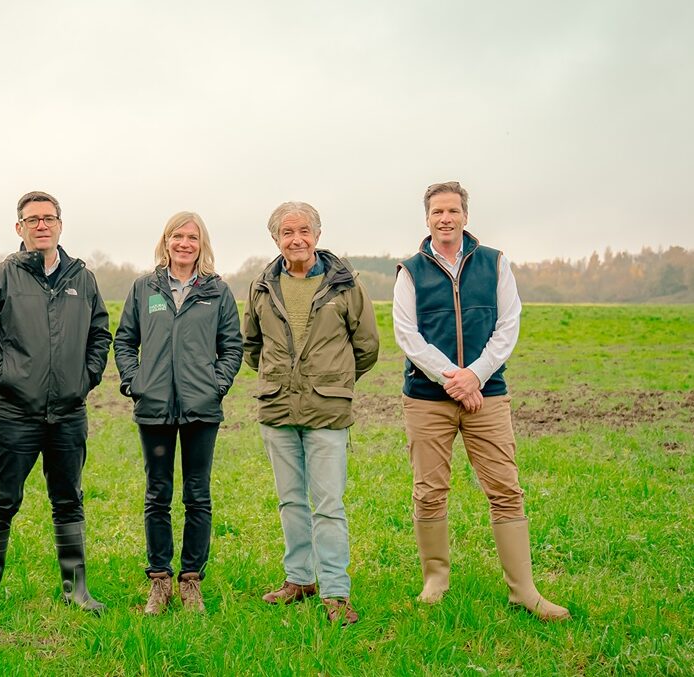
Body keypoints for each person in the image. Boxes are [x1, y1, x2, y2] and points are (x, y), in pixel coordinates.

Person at [393, 180, 571, 621]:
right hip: (427, 398)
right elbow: (407, 335)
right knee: (429, 492)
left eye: (453, 210)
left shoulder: (495, 263)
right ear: (427, 218)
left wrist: (475, 375)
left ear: (465, 216)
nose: (445, 218)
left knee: (506, 490)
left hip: (487, 394)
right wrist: (454, 378)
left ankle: (524, 591)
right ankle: (435, 580)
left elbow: (508, 325)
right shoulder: (410, 270)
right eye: (437, 212)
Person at [0, 190, 111, 617]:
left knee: (68, 499)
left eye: (48, 218)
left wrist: (85, 379)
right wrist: (8, 375)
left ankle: (76, 589)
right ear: (19, 228)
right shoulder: (1, 276)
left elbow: (100, 334)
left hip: (68, 413)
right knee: (2, 499)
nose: (41, 225)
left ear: (60, 225)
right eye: (32, 219)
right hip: (13, 412)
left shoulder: (82, 279)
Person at [242, 201, 379, 625]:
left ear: (317, 235)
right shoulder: (262, 285)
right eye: (287, 233)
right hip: (278, 408)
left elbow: (367, 346)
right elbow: (251, 346)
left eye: (304, 231)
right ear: (276, 239)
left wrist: (331, 380)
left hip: (326, 410)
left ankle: (335, 591)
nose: (296, 239)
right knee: (290, 501)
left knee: (328, 504)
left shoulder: (345, 284)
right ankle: (299, 579)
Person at [113, 212, 243, 615]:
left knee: (198, 496)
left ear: (202, 244)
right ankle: (159, 581)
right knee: (157, 495)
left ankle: (190, 581)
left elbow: (232, 347)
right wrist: (137, 384)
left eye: (192, 237)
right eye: (177, 236)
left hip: (201, 410)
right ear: (165, 241)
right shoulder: (144, 288)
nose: (184, 243)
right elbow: (124, 341)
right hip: (153, 409)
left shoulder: (217, 292)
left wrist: (215, 385)